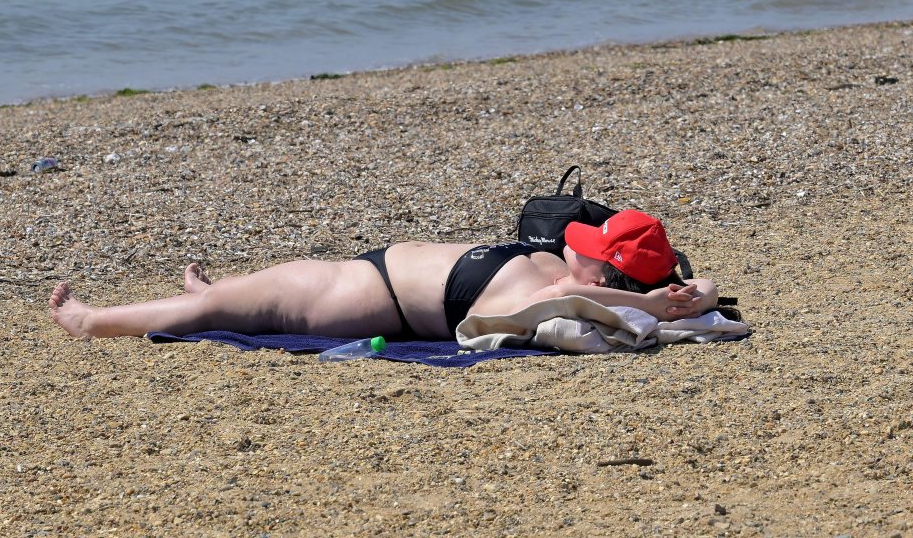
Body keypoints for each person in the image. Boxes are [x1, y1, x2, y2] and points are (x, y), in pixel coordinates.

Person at [49, 209, 721, 340]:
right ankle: (222, 300)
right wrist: (675, 296)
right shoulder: (565, 269)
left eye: (585, 246)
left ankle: (90, 321)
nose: (567, 246)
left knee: (213, 312)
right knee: (233, 300)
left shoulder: (562, 285)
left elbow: (567, 295)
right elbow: (707, 290)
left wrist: (660, 308)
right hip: (371, 278)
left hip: (367, 296)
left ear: (601, 269)